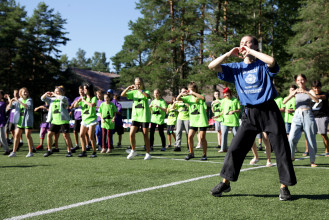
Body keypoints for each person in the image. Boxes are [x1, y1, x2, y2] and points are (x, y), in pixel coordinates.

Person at [208, 35, 296, 201]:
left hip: (269, 110)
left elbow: (272, 61)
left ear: (255, 46)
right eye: (241, 43)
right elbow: (212, 66)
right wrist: (228, 53)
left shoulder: (262, 65)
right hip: (250, 113)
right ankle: (225, 183)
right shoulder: (235, 67)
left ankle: (284, 187)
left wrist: (252, 51)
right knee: (235, 147)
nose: (243, 45)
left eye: (248, 42)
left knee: (281, 149)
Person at [283, 74, 318, 167]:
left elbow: (317, 100)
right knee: (291, 137)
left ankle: (312, 161)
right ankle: (291, 156)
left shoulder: (310, 91)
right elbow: (284, 101)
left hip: (308, 114)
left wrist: (308, 93)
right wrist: (292, 94)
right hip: (297, 115)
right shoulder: (295, 91)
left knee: (310, 138)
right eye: (298, 80)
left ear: (305, 80)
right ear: (296, 82)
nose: (300, 82)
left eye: (302, 80)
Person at [121, 77, 152, 160]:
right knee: (131, 134)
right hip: (135, 116)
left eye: (139, 83)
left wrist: (139, 89)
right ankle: (133, 150)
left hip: (144, 116)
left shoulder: (146, 91)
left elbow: (147, 96)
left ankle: (148, 153)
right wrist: (128, 88)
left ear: (142, 83)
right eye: (136, 83)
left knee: (145, 135)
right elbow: (122, 94)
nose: (137, 85)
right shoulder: (133, 92)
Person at [177, 82, 209, 160]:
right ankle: (191, 153)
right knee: (190, 136)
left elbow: (203, 98)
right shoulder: (188, 98)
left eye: (192, 89)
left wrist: (193, 93)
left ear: (195, 89)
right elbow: (178, 99)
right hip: (194, 121)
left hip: (202, 120)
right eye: (189, 90)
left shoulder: (200, 96)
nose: (190, 91)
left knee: (202, 138)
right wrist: (181, 93)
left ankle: (204, 155)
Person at [41, 87, 74, 157]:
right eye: (55, 91)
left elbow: (62, 99)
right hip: (54, 121)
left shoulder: (64, 98)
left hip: (63, 120)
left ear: (62, 93)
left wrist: (54, 94)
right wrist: (46, 94)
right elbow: (42, 98)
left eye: (58, 92)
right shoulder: (51, 100)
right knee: (49, 134)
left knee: (66, 136)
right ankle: (49, 150)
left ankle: (69, 151)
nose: (56, 93)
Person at [8, 88, 35, 157]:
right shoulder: (19, 100)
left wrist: (18, 101)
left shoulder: (29, 100)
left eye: (27, 91)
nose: (26, 93)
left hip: (27, 120)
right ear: (21, 93)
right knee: (16, 135)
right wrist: (11, 101)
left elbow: (27, 106)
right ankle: (14, 152)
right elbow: (11, 107)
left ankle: (31, 152)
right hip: (20, 120)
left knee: (27, 135)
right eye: (24, 92)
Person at [73, 83, 98, 158]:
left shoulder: (94, 98)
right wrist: (78, 101)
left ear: (89, 89)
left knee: (90, 137)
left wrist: (84, 100)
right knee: (81, 135)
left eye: (85, 89)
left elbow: (92, 105)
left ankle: (94, 152)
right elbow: (75, 106)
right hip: (84, 120)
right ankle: (84, 151)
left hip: (92, 119)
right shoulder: (83, 98)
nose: (83, 90)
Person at [218, 87, 240, 153]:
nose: (226, 95)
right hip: (225, 120)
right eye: (225, 94)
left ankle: (237, 148)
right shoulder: (223, 101)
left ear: (230, 93)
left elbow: (239, 110)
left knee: (236, 135)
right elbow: (223, 110)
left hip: (234, 120)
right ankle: (223, 148)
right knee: (224, 134)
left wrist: (233, 111)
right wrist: (218, 115)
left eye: (227, 93)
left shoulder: (235, 100)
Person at [311, 80, 329, 157]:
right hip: (312, 117)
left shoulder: (325, 94)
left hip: (322, 116)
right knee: (310, 134)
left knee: (323, 134)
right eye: (314, 88)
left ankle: (327, 150)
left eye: (318, 88)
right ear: (312, 88)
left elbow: (320, 97)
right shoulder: (310, 94)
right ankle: (307, 150)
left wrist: (309, 93)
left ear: (320, 87)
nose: (316, 90)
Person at [0, 90, 10, 155]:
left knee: (2, 136)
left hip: (1, 121)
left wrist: (8, 97)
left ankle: (7, 150)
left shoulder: (3, 103)